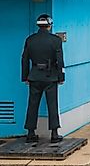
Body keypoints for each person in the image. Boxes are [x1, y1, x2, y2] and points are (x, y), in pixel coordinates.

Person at [21, 13, 65, 143]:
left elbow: (24, 59)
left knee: (32, 104)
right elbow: (60, 60)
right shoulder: (56, 40)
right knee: (52, 104)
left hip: (34, 75)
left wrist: (25, 77)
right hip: (50, 76)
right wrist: (61, 76)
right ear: (49, 25)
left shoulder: (30, 39)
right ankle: (54, 133)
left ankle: (30, 132)